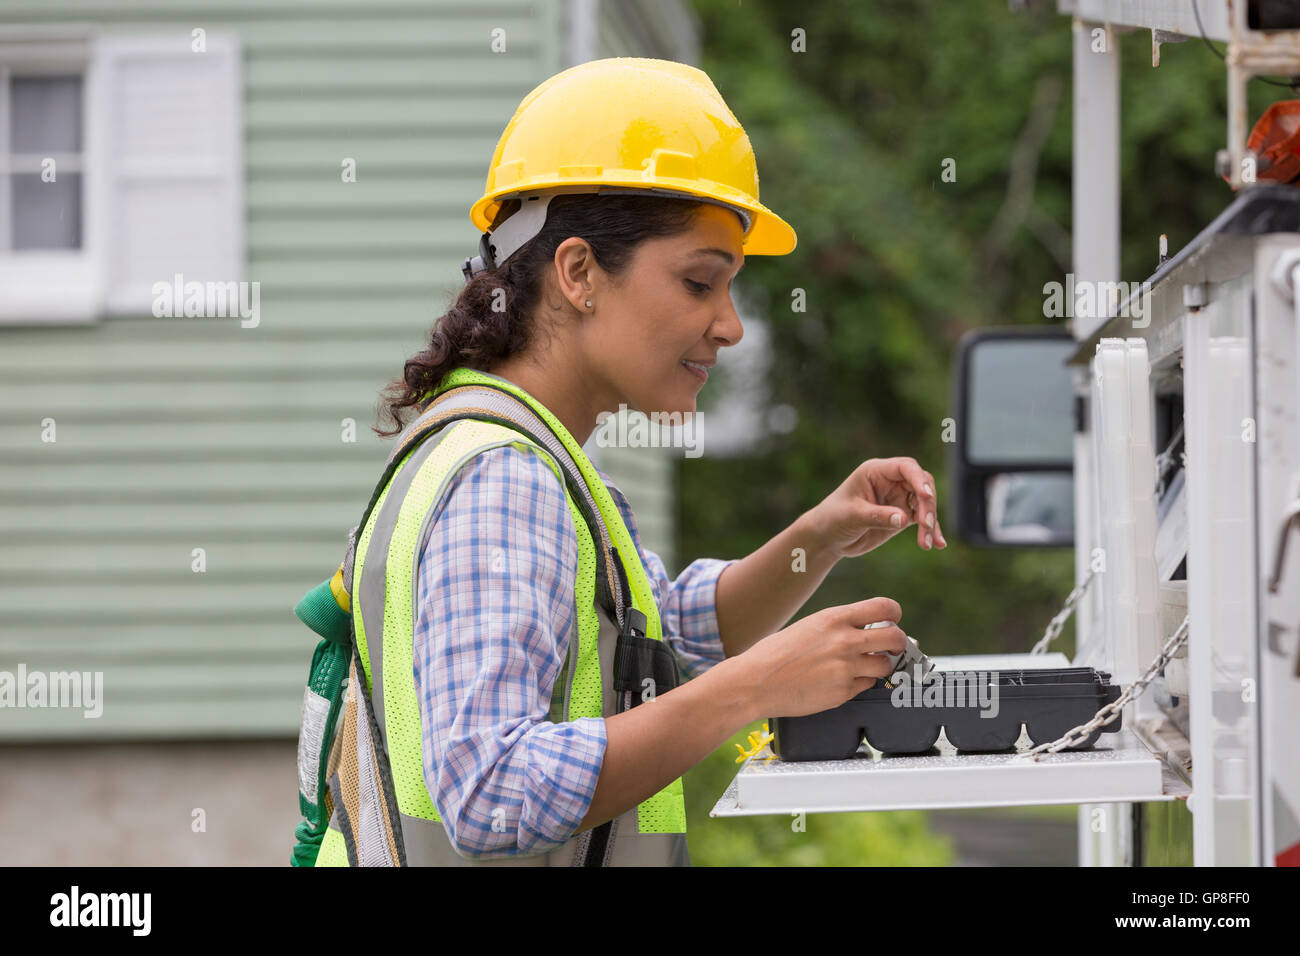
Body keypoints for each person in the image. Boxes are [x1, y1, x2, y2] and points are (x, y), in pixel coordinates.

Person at [321, 57, 947, 868]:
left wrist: (817, 538)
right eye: (699, 283)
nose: (730, 327)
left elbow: (669, 636)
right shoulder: (504, 480)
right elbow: (491, 792)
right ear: (579, 272)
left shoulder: (540, 465)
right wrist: (760, 686)